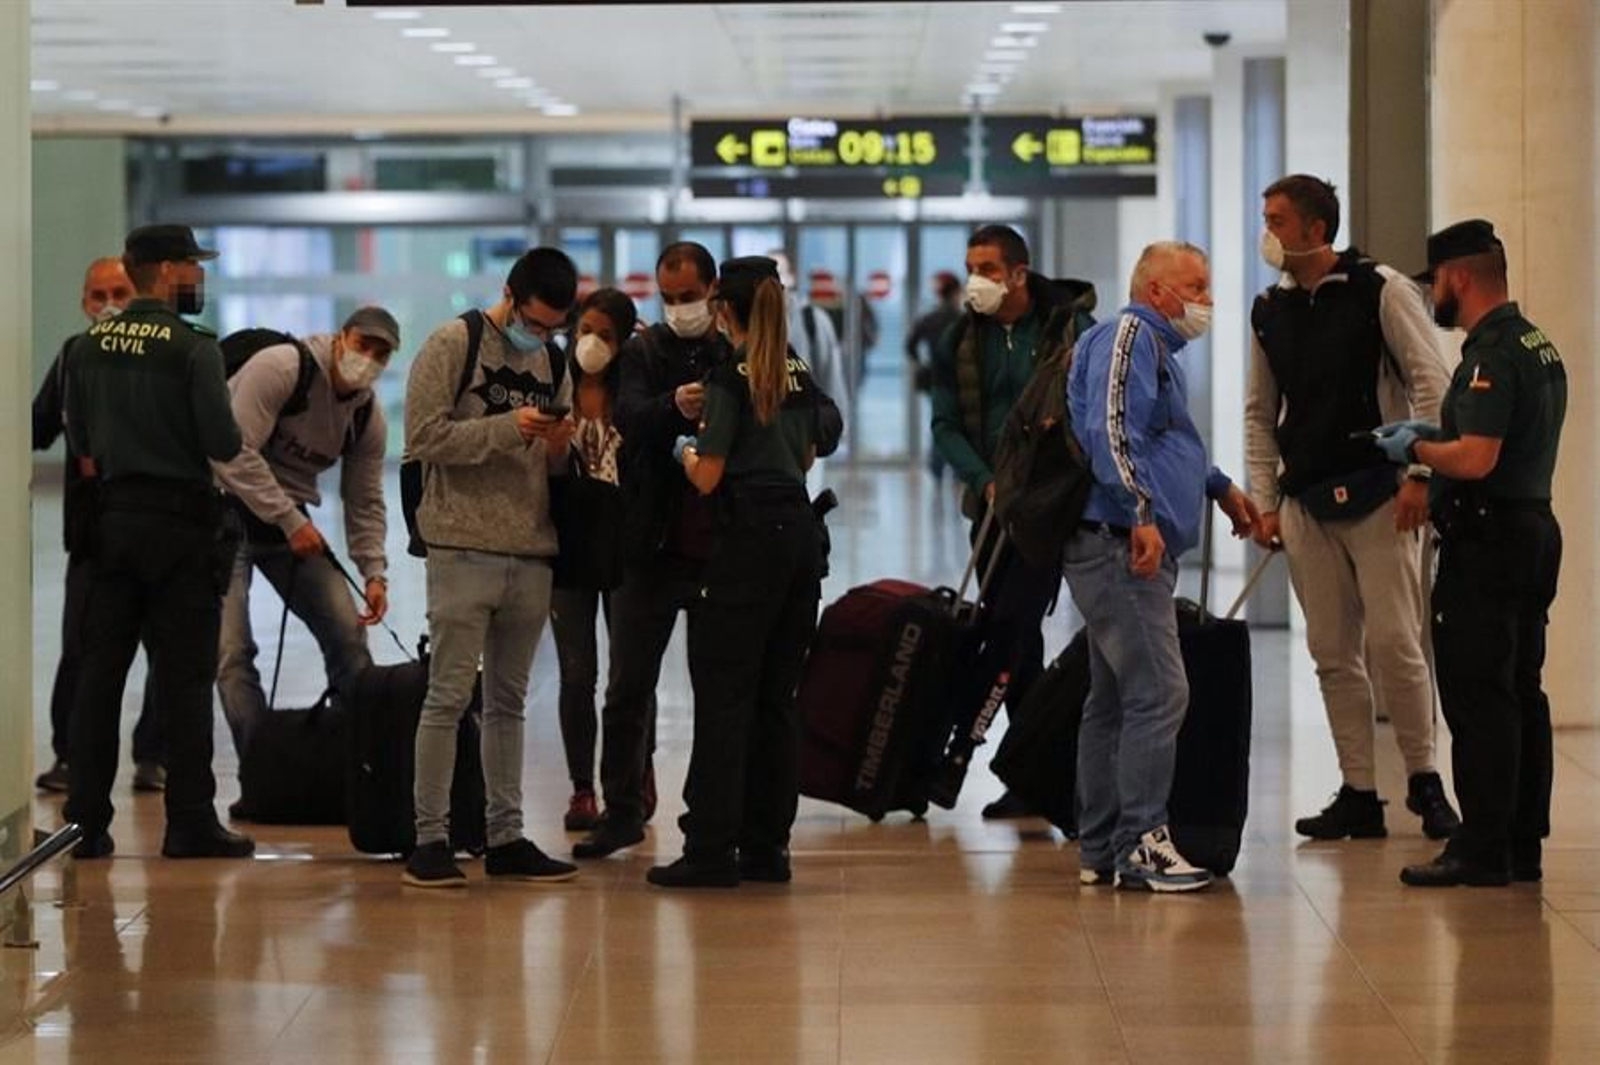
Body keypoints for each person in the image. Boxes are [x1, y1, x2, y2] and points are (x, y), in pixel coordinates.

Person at [573, 244, 843, 862]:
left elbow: (821, 418)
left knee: (725, 696)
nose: (680, 309)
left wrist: (757, 419)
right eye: (668, 299)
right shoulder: (644, 352)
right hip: (657, 544)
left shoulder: (750, 357)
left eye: (690, 297)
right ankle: (626, 811)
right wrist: (676, 408)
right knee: (629, 687)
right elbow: (630, 418)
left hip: (728, 549)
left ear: (715, 295)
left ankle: (727, 832)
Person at [1244, 175, 1461, 842]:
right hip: (1306, 501)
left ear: (1315, 229)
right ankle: (1360, 790)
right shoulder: (1269, 311)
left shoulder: (1381, 289)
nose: (1269, 233)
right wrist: (1265, 502)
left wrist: (1422, 471)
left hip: (1382, 492)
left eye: (1278, 220)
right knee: (1332, 652)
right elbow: (1260, 412)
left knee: (1396, 642)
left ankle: (1425, 779)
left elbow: (1432, 378)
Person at [1373, 220, 1567, 888]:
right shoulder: (1535, 343)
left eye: (1434, 283)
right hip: (1533, 528)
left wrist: (1417, 450)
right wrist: (1438, 430)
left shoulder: (1488, 356)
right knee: (1521, 691)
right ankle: (1520, 842)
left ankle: (1480, 847)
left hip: (1489, 540)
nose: (1433, 296)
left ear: (1456, 276)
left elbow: (1477, 458)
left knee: (1479, 696)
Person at [1065, 241, 1258, 892]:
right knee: (1160, 692)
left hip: (1126, 538)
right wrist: (1141, 510)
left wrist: (1219, 486)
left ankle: (1100, 846)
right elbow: (1110, 431)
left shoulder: (1158, 350)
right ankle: (1140, 843)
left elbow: (1163, 435)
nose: (1205, 298)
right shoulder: (1129, 337)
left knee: (1116, 698)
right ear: (1156, 292)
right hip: (1122, 542)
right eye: (1195, 285)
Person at [62, 224, 253, 860]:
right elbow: (223, 443)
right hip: (179, 527)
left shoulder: (86, 347)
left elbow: (82, 441)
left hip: (110, 522)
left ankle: (84, 823)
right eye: (193, 266)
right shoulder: (193, 347)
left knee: (100, 674)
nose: (199, 276)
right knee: (185, 678)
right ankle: (190, 821)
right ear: (167, 270)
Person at [401, 247, 580, 888]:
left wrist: (559, 446)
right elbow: (423, 438)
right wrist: (508, 429)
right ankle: (431, 839)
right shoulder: (455, 343)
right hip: (462, 544)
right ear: (509, 294)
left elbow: (553, 464)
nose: (541, 335)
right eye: (534, 321)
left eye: (554, 326)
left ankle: (506, 835)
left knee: (509, 702)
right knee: (448, 696)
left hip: (531, 547)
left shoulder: (554, 359)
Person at [647, 256, 826, 889]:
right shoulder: (799, 372)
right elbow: (811, 451)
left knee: (724, 699)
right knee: (777, 700)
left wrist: (682, 449)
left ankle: (710, 851)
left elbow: (709, 474)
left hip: (745, 543)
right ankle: (766, 848)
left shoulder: (728, 375)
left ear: (725, 310)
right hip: (800, 541)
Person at [929, 224, 1097, 818]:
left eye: (989, 268)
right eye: (971, 266)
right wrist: (986, 481)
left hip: (1054, 508)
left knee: (1008, 627)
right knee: (1017, 646)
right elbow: (944, 425)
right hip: (992, 510)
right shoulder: (960, 339)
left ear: (1020, 274)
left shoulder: (1070, 330)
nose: (977, 279)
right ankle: (1037, 777)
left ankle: (963, 753)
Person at [211, 306, 399, 804]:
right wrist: (292, 521)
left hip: (288, 524)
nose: (369, 359)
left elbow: (365, 498)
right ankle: (262, 779)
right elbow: (232, 452)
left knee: (347, 637)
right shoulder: (281, 368)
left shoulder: (365, 414)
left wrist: (375, 571)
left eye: (381, 353)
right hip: (222, 515)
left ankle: (359, 775)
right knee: (232, 652)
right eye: (364, 344)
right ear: (342, 337)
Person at [32, 257, 165, 795]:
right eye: (97, 295)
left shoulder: (167, 357)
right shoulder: (72, 358)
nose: (108, 304)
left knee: (164, 649)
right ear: (84, 304)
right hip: (91, 537)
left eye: (120, 291)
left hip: (160, 532)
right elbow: (37, 428)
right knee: (81, 650)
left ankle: (152, 756)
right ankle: (70, 757)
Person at [549, 287, 637, 833]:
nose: (592, 343)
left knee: (629, 675)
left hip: (626, 544)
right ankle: (583, 788)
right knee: (576, 672)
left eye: (605, 335)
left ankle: (633, 775)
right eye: (586, 331)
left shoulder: (637, 391)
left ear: (624, 341)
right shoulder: (551, 385)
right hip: (569, 543)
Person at [769, 250, 851, 431]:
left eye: (779, 273)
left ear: (791, 278)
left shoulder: (812, 320)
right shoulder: (747, 321)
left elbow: (830, 373)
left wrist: (836, 423)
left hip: (806, 430)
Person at [906, 271, 963, 480]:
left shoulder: (929, 319)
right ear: (956, 292)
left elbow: (910, 345)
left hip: (936, 380)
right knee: (957, 425)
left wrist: (923, 364)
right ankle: (957, 469)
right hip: (959, 381)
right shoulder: (961, 320)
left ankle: (937, 469)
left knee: (940, 423)